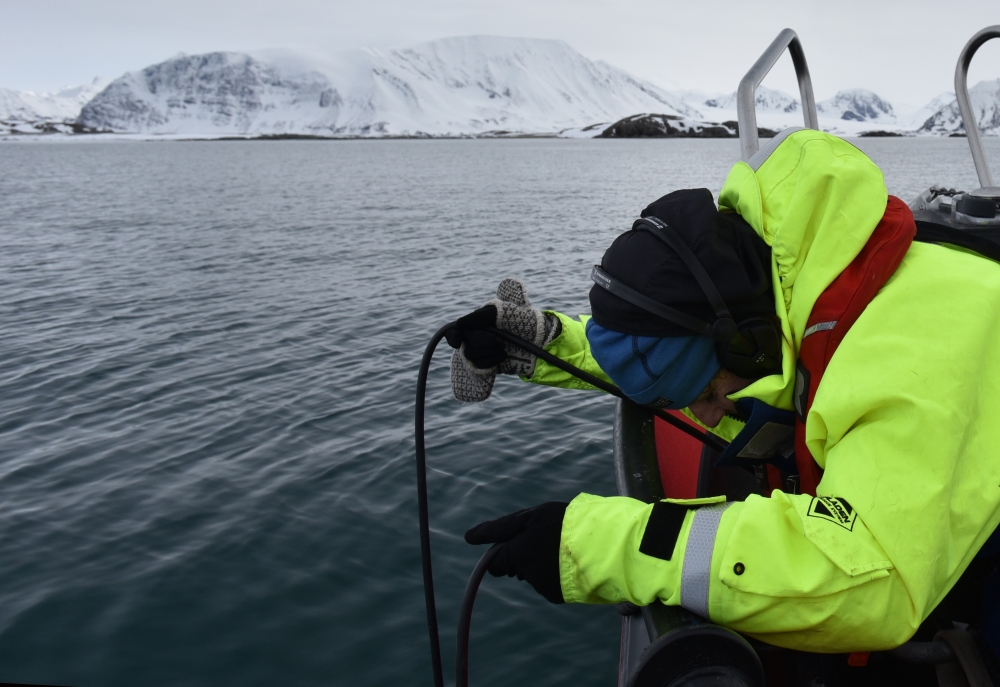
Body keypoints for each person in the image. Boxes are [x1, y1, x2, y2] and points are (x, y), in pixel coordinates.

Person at [445, 129, 1000, 654]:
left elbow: (868, 577)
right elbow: (691, 362)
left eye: (707, 396)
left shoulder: (907, 346)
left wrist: (600, 545)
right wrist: (546, 343)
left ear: (746, 343)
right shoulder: (789, 288)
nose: (708, 420)